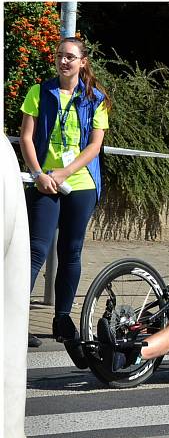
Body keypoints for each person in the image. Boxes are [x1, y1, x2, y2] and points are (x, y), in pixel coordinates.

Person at [19, 37, 111, 348]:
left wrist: (64, 173)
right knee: (35, 251)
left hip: (80, 184)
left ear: (82, 62)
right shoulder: (39, 92)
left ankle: (61, 318)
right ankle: (16, 320)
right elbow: (27, 137)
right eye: (60, 56)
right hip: (44, 182)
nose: (64, 61)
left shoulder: (95, 99)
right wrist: (39, 174)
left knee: (71, 252)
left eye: (70, 57)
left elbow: (94, 146)